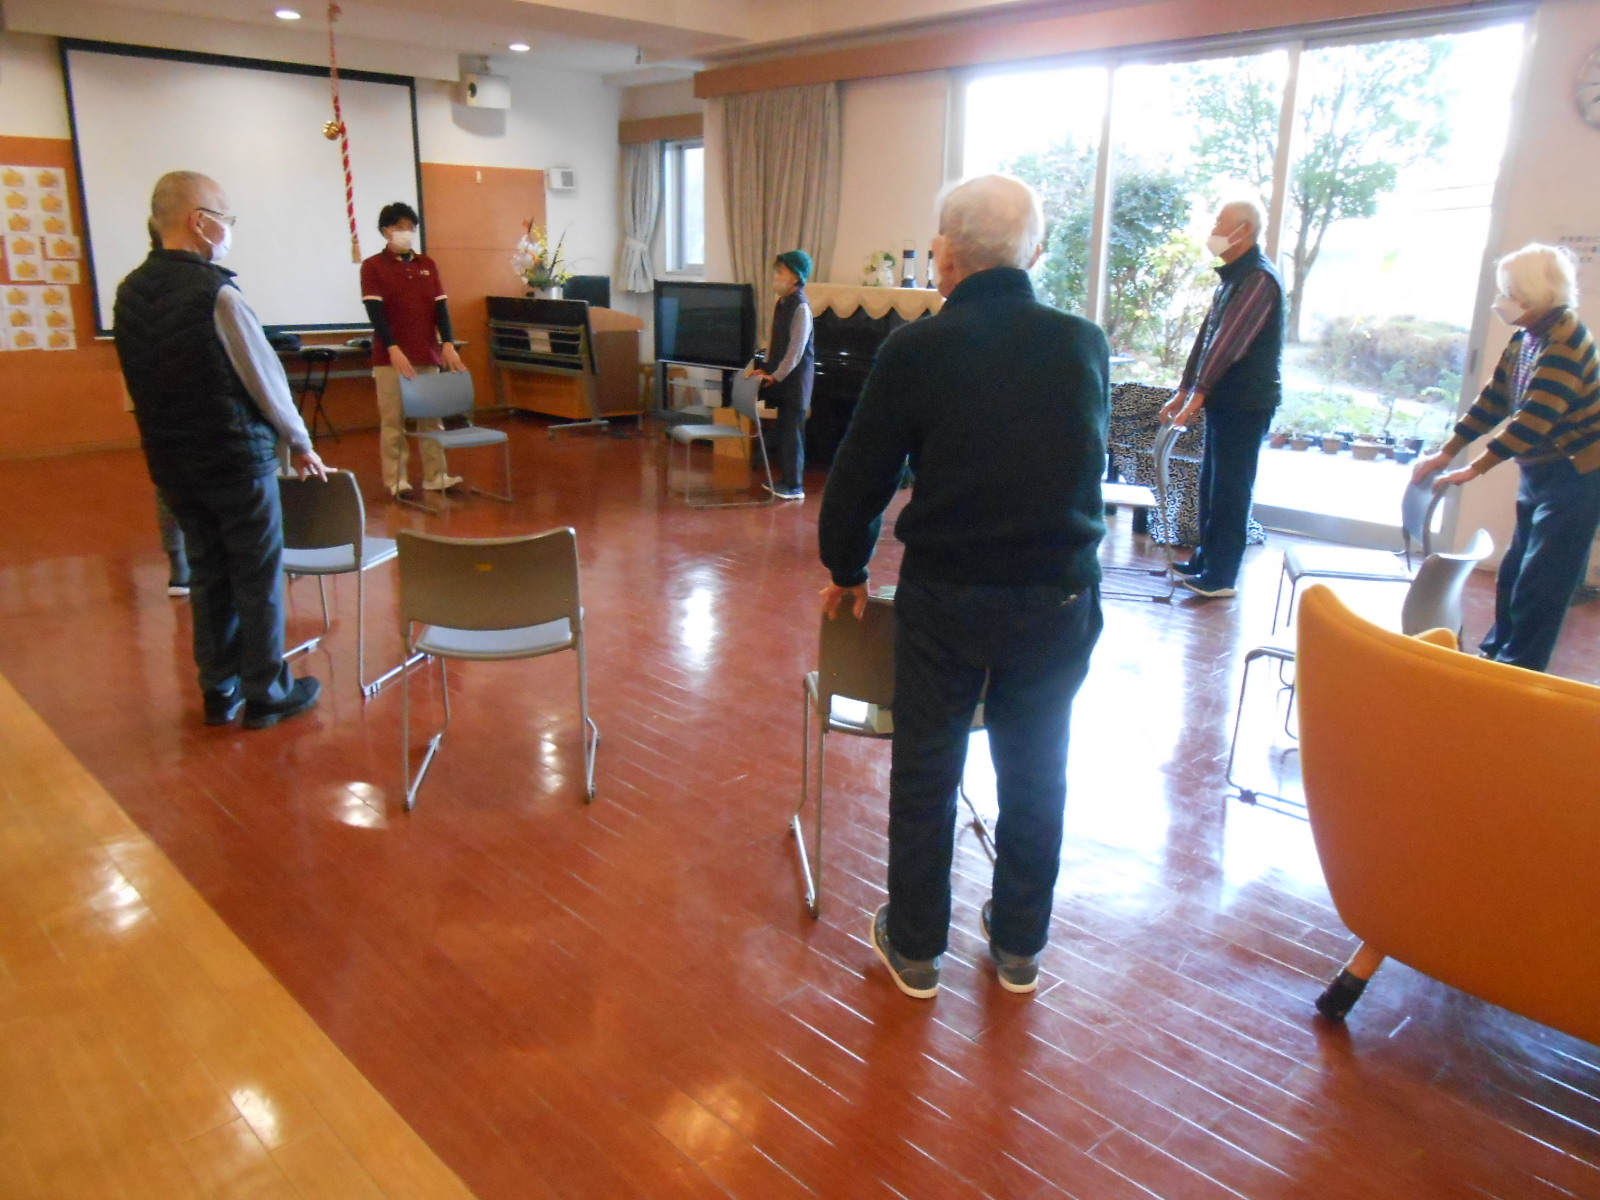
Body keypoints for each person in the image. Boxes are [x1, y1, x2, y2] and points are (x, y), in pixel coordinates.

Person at [818, 174, 1109, 999]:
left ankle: (915, 949)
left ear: (944, 255)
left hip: (947, 598)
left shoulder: (916, 348)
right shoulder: (1083, 343)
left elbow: (860, 477)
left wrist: (847, 568)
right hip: (1057, 596)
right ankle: (1019, 945)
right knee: (1037, 767)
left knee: (927, 768)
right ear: (1036, 254)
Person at [114, 171, 327, 729]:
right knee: (256, 575)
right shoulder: (217, 293)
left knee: (207, 571)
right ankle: (268, 692)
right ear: (199, 221)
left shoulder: (128, 294)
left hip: (172, 462)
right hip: (235, 460)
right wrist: (300, 441)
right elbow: (265, 378)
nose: (228, 228)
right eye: (224, 216)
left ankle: (219, 688)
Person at [1411, 243, 1600, 672]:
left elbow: (1535, 418)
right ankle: (1498, 654)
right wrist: (1448, 450)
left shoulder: (1566, 341)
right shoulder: (1528, 336)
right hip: (1540, 471)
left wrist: (1476, 467)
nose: (1503, 300)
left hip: (1576, 474)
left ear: (1535, 293)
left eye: (1510, 291)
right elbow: (1495, 399)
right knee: (1514, 572)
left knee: (1544, 582)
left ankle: (1520, 670)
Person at [1160, 200, 1285, 599]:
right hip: (1227, 401)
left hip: (1246, 403)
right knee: (1211, 485)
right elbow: (1207, 339)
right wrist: (1185, 390)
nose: (1213, 230)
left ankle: (1222, 575)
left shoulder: (1258, 279)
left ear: (1243, 230)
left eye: (1220, 222)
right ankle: (1205, 561)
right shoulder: (1234, 278)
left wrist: (1197, 394)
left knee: (1231, 489)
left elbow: (1228, 345)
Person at [360, 201, 465, 499]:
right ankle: (397, 479)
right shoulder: (373, 266)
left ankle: (436, 475)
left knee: (432, 419)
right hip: (390, 358)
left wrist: (448, 343)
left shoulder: (427, 264)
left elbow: (441, 307)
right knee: (393, 421)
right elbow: (376, 312)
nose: (406, 232)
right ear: (386, 231)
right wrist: (392, 348)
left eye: (410, 227)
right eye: (399, 227)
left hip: (426, 353)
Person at [748, 249, 815, 500]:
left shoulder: (801, 307)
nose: (776, 277)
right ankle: (786, 480)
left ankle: (795, 486)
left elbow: (795, 351)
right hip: (784, 380)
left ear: (796, 277)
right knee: (785, 431)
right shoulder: (782, 303)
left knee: (792, 435)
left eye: (781, 272)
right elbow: (776, 343)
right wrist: (766, 369)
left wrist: (776, 375)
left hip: (795, 382)